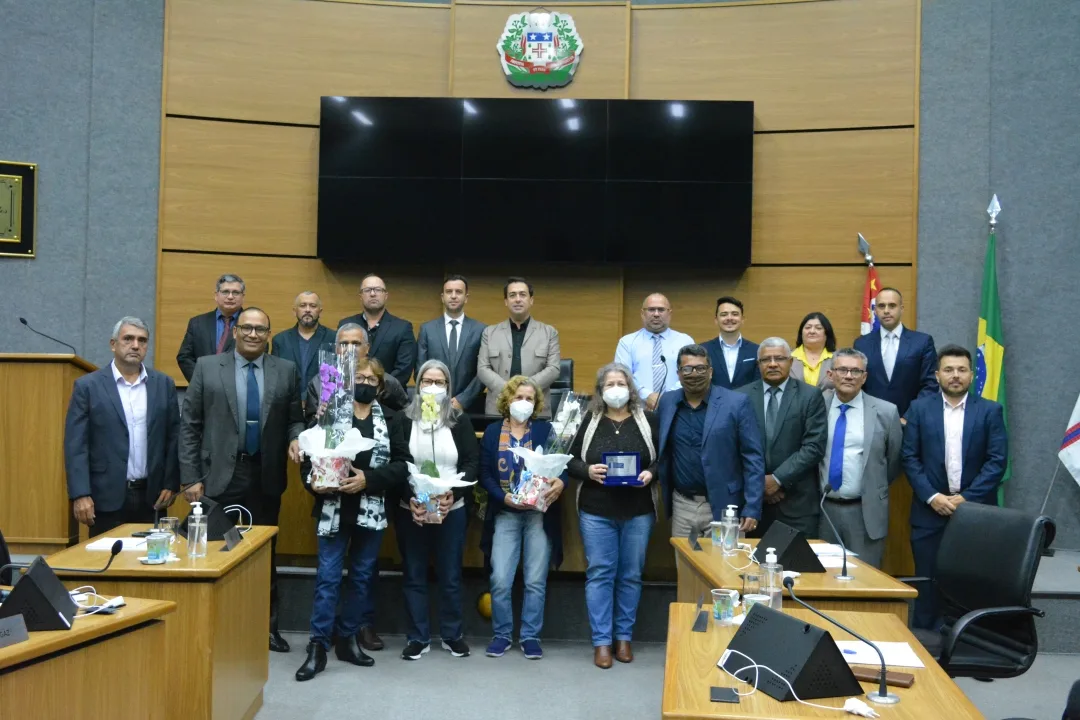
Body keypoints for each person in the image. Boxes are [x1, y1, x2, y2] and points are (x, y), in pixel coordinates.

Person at [179, 307, 304, 653]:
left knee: (264, 556)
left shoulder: (286, 370)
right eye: (246, 328)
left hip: (264, 476)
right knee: (209, 553)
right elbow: (190, 425)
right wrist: (190, 477)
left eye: (260, 329)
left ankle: (267, 629)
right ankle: (206, 630)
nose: (252, 334)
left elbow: (295, 418)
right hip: (216, 477)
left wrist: (296, 437)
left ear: (268, 334)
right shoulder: (207, 367)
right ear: (234, 331)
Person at [296, 357, 411, 681]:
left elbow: (403, 465)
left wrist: (368, 480)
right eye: (358, 377)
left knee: (361, 578)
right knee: (328, 579)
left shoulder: (391, 419)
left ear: (381, 385)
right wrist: (312, 483)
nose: (364, 383)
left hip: (370, 509)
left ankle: (347, 640)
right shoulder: (331, 415)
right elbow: (310, 457)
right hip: (333, 509)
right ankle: (318, 647)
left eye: (371, 379)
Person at [902, 345, 1007, 629]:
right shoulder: (919, 409)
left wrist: (967, 500)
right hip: (929, 512)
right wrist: (932, 496)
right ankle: (925, 643)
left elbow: (997, 462)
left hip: (976, 514)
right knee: (927, 581)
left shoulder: (990, 411)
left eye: (961, 370)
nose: (955, 376)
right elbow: (909, 457)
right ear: (937, 375)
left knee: (973, 580)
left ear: (972, 375)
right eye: (948, 370)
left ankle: (973, 643)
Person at [567, 363, 659, 669]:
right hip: (596, 510)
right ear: (600, 391)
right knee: (600, 574)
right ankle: (602, 642)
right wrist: (587, 470)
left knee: (631, 575)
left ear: (630, 389)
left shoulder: (648, 420)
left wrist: (650, 474)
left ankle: (623, 638)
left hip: (637, 510)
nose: (616, 389)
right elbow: (568, 459)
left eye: (621, 383)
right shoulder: (586, 421)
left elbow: (664, 460)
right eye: (609, 384)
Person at [64, 317, 180, 536]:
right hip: (105, 498)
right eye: (128, 338)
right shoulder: (88, 386)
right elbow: (76, 445)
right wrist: (80, 494)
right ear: (113, 344)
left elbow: (174, 436)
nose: (135, 345)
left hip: (152, 497)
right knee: (107, 563)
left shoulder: (163, 384)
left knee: (152, 564)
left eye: (142, 340)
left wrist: (171, 482)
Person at [395, 360, 479, 661]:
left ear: (448, 387)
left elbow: (471, 463)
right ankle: (417, 637)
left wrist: (452, 493)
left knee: (450, 575)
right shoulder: (404, 419)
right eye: (427, 382)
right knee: (414, 574)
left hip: (451, 508)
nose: (433, 387)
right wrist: (411, 497)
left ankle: (452, 634)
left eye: (439, 382)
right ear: (417, 387)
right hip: (412, 509)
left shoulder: (458, 419)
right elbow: (397, 463)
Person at [478, 376, 565, 660]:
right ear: (507, 401)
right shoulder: (492, 432)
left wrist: (560, 481)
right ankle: (502, 634)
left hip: (539, 514)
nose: (523, 403)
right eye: (518, 397)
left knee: (535, 580)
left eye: (529, 399)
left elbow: (559, 463)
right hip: (505, 512)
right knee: (501, 578)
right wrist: (502, 497)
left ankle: (530, 636)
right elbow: (485, 474)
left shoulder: (544, 430)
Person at [658, 344, 765, 540]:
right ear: (678, 373)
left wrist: (752, 506)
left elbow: (753, 458)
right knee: (686, 566)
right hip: (683, 505)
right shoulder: (667, 402)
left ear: (710, 371)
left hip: (726, 506)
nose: (694, 374)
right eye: (687, 369)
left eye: (700, 368)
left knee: (723, 568)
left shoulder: (736, 403)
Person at [816, 348, 903, 569]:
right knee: (822, 580)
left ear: (864, 377)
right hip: (823, 509)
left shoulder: (886, 412)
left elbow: (892, 462)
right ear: (830, 374)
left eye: (856, 371)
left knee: (865, 580)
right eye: (843, 369)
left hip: (865, 512)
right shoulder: (816, 407)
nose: (848, 376)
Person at [735, 338, 827, 538]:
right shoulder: (740, 397)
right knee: (753, 567)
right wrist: (760, 484)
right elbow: (733, 448)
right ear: (758, 364)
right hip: (753, 505)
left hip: (797, 504)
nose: (773, 363)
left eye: (780, 358)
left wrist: (777, 479)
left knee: (799, 567)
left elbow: (813, 446)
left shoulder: (810, 396)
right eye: (766, 359)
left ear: (791, 361)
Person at [477, 277, 561, 416]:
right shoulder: (490, 332)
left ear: (531, 300)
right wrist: (508, 390)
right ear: (506, 301)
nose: (517, 299)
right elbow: (482, 368)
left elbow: (554, 369)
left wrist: (524, 390)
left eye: (522, 294)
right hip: (498, 409)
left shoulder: (549, 333)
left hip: (536, 409)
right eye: (512, 295)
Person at [853, 287, 938, 418]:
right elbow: (857, 384)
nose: (886, 311)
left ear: (902, 309)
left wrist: (909, 417)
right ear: (875, 311)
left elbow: (930, 385)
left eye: (892, 305)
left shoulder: (922, 342)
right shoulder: (861, 344)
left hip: (911, 422)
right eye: (881, 306)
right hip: (871, 421)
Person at [305, 324, 409, 427]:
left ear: (367, 348)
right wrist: (319, 417)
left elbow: (406, 414)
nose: (350, 349)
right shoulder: (320, 382)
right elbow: (310, 423)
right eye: (344, 344)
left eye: (356, 344)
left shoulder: (385, 381)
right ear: (336, 348)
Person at [415, 274, 486, 412]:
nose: (453, 296)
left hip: (469, 407)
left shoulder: (481, 330)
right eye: (449, 292)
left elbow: (483, 372)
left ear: (466, 298)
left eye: (458, 292)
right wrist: (435, 396)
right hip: (432, 405)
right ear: (442, 297)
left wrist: (463, 400)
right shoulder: (427, 329)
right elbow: (420, 369)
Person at [614, 293, 694, 411]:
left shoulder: (685, 341)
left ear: (669, 313)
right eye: (651, 310)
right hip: (638, 409)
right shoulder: (627, 342)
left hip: (678, 409)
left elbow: (690, 374)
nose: (656, 314)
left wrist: (667, 398)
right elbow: (622, 376)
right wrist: (647, 395)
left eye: (661, 310)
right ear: (642, 313)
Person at [338, 273, 417, 388]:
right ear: (360, 296)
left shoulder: (403, 328)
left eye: (378, 290)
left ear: (386, 295)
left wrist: (375, 388)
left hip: (389, 399)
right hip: (351, 395)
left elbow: (403, 370)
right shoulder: (347, 325)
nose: (373, 294)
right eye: (368, 290)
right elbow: (339, 362)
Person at [176, 273, 245, 382]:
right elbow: (184, 357)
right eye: (225, 292)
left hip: (238, 390)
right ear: (216, 295)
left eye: (235, 292)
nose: (230, 296)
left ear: (242, 297)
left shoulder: (252, 324)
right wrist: (202, 382)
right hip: (203, 391)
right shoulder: (197, 323)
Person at [271, 291, 335, 405]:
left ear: (320, 311)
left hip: (322, 405)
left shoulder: (333, 338)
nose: (307, 309)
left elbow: (335, 376)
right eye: (302, 305)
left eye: (313, 306)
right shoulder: (280, 340)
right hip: (289, 405)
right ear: (294, 311)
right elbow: (276, 378)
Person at [701, 296, 760, 390]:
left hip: (747, 403)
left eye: (735, 314)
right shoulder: (703, 350)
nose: (729, 318)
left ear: (742, 319)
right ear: (716, 320)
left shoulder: (757, 350)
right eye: (724, 314)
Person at [790, 312, 837, 390]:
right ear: (801, 333)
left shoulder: (838, 359)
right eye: (807, 327)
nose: (812, 331)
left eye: (818, 328)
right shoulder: (787, 357)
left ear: (827, 333)